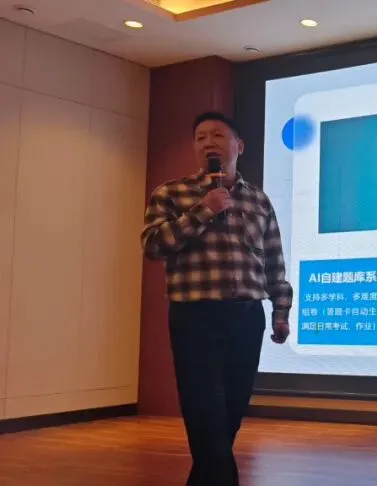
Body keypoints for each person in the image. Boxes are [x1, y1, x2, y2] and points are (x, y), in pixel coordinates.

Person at [141, 111, 293, 486]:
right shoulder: (170, 193)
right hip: (195, 317)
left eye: (218, 136)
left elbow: (273, 260)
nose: (208, 142)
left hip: (246, 317)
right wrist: (204, 210)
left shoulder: (258, 200)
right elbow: (153, 245)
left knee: (229, 416)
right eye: (201, 137)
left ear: (239, 146)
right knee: (204, 412)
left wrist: (281, 311)